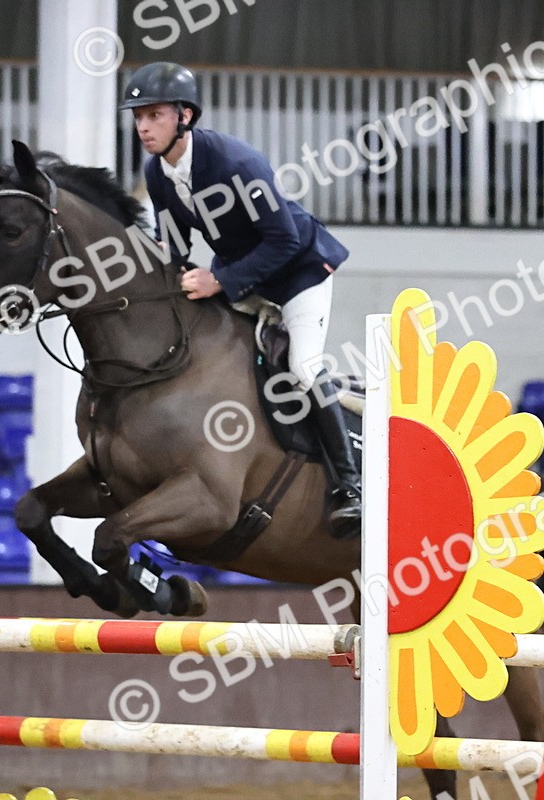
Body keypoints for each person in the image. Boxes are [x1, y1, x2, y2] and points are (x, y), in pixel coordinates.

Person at [120, 61, 360, 537]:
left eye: (154, 116)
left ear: (185, 116)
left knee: (304, 368)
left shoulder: (236, 163)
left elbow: (285, 240)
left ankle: (349, 487)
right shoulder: (158, 171)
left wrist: (218, 281)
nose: (143, 127)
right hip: (246, 281)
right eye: (138, 116)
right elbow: (174, 246)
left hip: (299, 274)